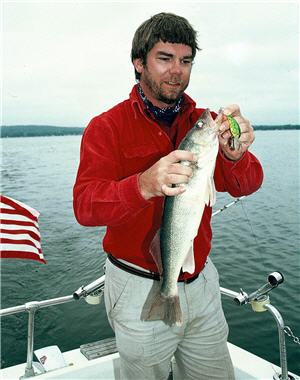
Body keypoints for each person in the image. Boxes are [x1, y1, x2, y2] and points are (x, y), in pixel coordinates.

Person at [73, 12, 263, 380]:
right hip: (136, 285)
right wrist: (143, 184)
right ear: (139, 62)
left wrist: (235, 155)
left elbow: (246, 184)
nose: (177, 70)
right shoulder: (105, 127)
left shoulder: (205, 123)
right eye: (164, 58)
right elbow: (85, 206)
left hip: (203, 282)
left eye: (186, 60)